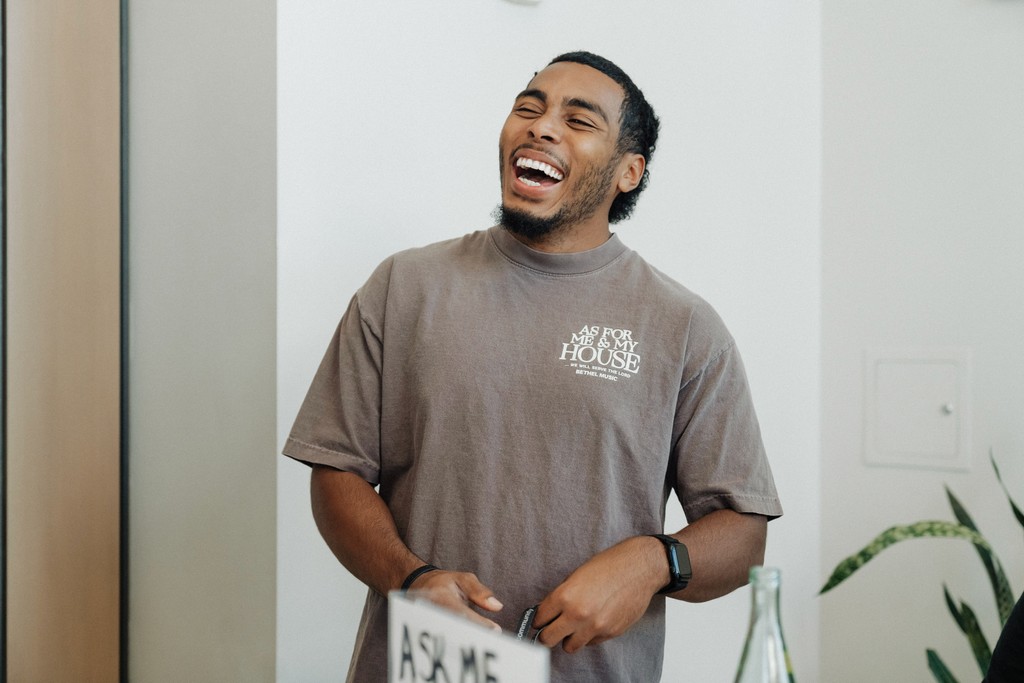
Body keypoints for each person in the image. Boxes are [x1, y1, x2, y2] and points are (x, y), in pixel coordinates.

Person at [283, 50, 783, 682]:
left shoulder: (682, 326)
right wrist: (410, 580)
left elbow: (745, 536)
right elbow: (336, 473)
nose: (541, 127)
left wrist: (655, 561)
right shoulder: (404, 287)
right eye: (528, 107)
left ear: (629, 172)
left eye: (579, 120)